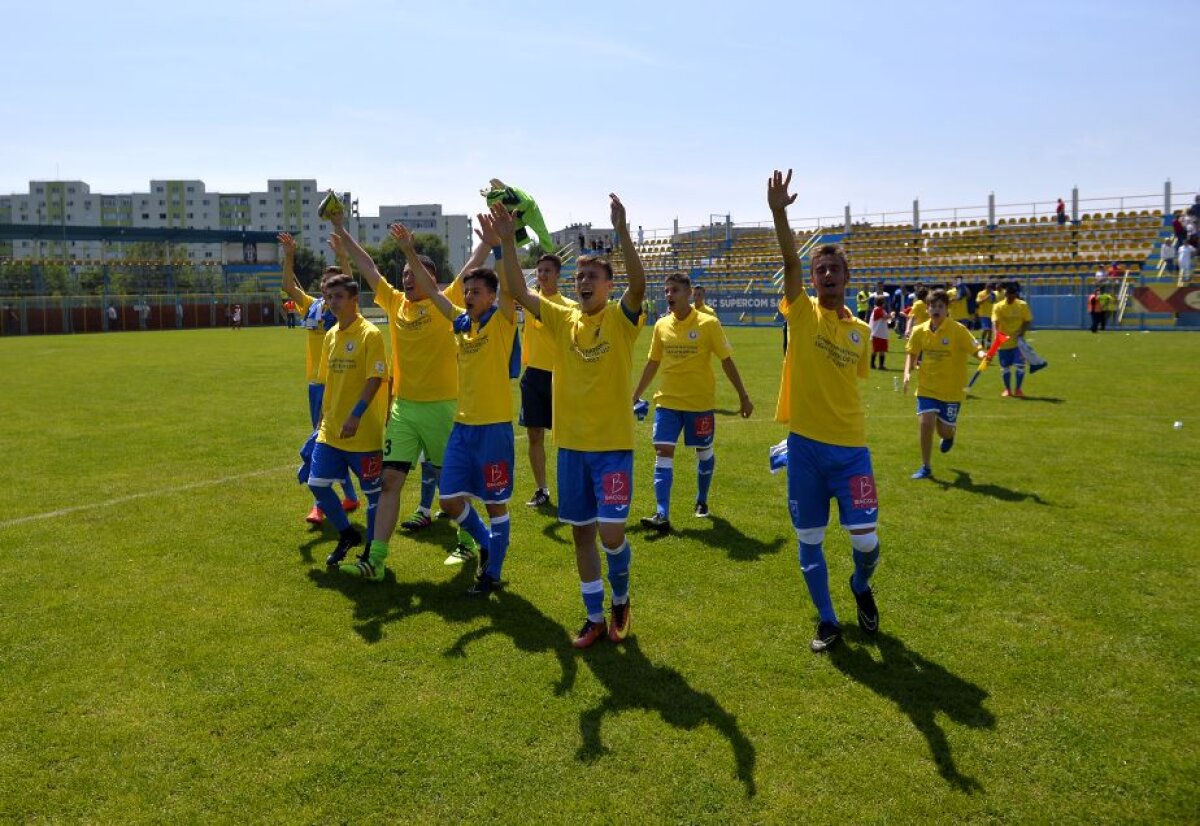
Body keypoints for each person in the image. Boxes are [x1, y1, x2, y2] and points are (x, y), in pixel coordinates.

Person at [500, 192, 646, 649]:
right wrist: (507, 242)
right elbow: (519, 290)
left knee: (612, 534)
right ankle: (594, 616)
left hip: (613, 448)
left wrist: (621, 232)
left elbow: (639, 287)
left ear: (608, 286)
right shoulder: (562, 319)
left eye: (592, 277)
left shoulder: (621, 321)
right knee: (582, 535)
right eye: (579, 276)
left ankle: (620, 599)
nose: (583, 282)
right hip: (572, 449)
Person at [359, 213, 519, 593]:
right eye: (467, 292)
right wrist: (408, 251)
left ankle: (491, 572)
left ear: (492, 297)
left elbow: (510, 288)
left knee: (495, 503)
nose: (469, 297)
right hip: (462, 425)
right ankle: (482, 541)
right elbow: (433, 293)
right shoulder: (460, 323)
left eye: (476, 292)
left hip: (493, 427)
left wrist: (502, 246)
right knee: (448, 499)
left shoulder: (503, 321)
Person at [331, 214, 489, 568]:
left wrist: (488, 241)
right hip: (404, 408)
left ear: (431, 279)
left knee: (451, 485)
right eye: (404, 274)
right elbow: (368, 266)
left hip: (442, 408)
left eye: (414, 273)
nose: (407, 278)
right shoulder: (394, 302)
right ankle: (376, 560)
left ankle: (467, 542)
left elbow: (473, 263)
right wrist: (342, 230)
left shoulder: (446, 299)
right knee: (389, 481)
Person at [768, 169, 882, 654]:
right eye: (821, 271)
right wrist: (779, 214)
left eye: (835, 269)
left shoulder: (860, 333)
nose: (828, 275)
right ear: (813, 279)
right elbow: (789, 263)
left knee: (866, 542)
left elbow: (850, 382)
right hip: (807, 450)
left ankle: (860, 584)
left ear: (847, 278)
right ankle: (829, 621)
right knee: (809, 537)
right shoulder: (801, 312)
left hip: (852, 451)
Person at [632, 273, 753, 531]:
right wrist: (635, 394)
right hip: (667, 401)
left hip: (699, 404)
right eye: (667, 291)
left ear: (688, 294)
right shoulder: (661, 325)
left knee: (704, 452)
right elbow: (653, 362)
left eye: (674, 290)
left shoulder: (709, 323)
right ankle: (661, 514)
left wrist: (743, 396)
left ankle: (702, 500)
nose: (669, 295)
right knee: (662, 451)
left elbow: (726, 361)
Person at [279, 232, 360, 524]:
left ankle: (319, 504)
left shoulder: (344, 309)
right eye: (325, 283)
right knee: (328, 441)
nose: (327, 287)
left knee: (321, 442)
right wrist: (290, 255)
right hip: (315, 384)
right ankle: (349, 496)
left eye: (333, 283)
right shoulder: (312, 305)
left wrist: (342, 256)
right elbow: (288, 286)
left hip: (337, 383)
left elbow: (350, 282)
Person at [307, 272, 387, 568]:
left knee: (374, 496)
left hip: (362, 433)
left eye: (339, 296)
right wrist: (321, 421)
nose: (333, 302)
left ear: (354, 299)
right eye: (329, 297)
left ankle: (371, 552)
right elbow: (329, 383)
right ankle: (347, 534)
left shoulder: (370, 334)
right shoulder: (330, 335)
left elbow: (375, 378)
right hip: (331, 430)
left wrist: (356, 415)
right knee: (317, 484)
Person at [904, 289, 986, 479]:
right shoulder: (919, 330)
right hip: (926, 387)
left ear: (947, 309)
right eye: (933, 306)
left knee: (944, 431)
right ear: (927, 308)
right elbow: (912, 353)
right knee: (926, 424)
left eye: (940, 306)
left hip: (952, 391)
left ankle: (950, 435)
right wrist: (907, 372)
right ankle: (926, 467)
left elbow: (976, 350)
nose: (936, 309)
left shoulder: (958, 330)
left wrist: (984, 355)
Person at [520, 252, 575, 509]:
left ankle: (571, 489)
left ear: (558, 275)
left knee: (566, 437)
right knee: (534, 435)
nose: (542, 275)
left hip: (560, 376)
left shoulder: (569, 306)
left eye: (547, 271)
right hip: (533, 376)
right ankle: (542, 489)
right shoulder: (530, 300)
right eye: (539, 270)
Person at [991, 281, 1033, 397]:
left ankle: (1018, 389)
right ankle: (1008, 389)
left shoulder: (1022, 305)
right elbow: (995, 322)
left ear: (1016, 295)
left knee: (1020, 366)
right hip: (1003, 342)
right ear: (1005, 295)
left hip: (1018, 342)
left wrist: (1022, 332)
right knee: (1005, 368)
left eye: (1013, 296)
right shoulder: (998, 306)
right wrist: (996, 335)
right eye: (1008, 296)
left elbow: (1027, 320)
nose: (1010, 298)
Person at [868, 297, 891, 370]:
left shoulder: (880, 310)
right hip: (877, 334)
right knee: (876, 350)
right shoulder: (878, 309)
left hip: (881, 334)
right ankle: (874, 364)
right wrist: (891, 315)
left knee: (881, 350)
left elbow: (886, 319)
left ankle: (879, 365)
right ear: (882, 302)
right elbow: (884, 317)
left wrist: (889, 317)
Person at [975, 282, 996, 348]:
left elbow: (994, 302)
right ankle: (982, 340)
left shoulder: (993, 294)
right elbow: (978, 302)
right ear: (985, 287)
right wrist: (986, 298)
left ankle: (988, 344)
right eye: (988, 287)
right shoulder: (981, 293)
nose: (989, 289)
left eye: (990, 287)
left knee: (990, 331)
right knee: (986, 329)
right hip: (983, 314)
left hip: (992, 314)